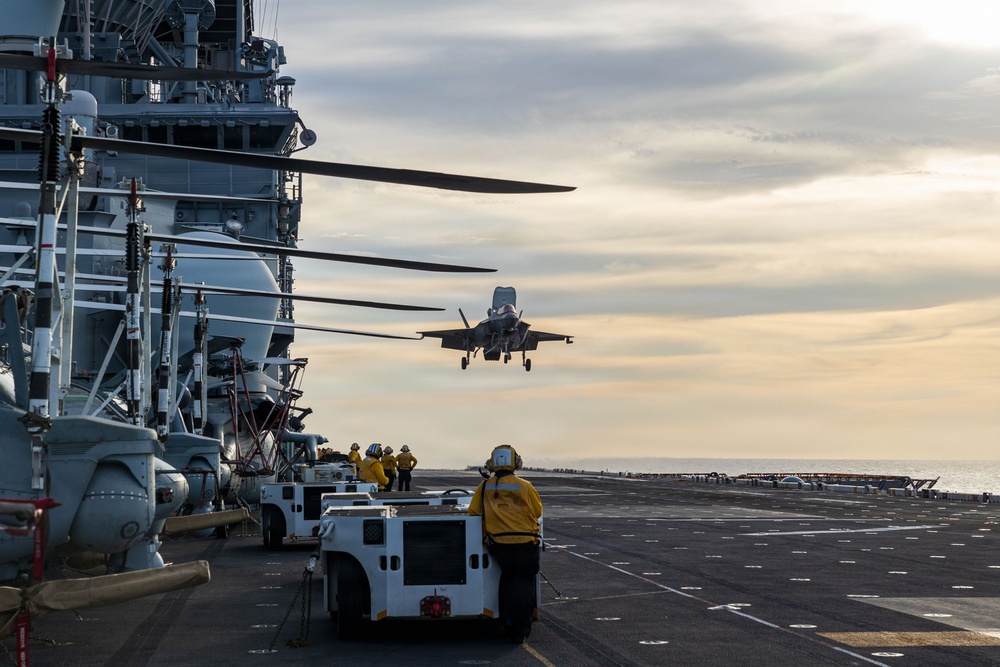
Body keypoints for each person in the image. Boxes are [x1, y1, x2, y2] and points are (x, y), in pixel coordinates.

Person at [468, 445, 543, 644]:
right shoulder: (525, 486)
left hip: (499, 545)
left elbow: (473, 512)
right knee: (524, 585)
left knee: (508, 581)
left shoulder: (485, 487)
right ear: (516, 463)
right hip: (525, 542)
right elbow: (538, 511)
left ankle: (507, 623)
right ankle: (520, 630)